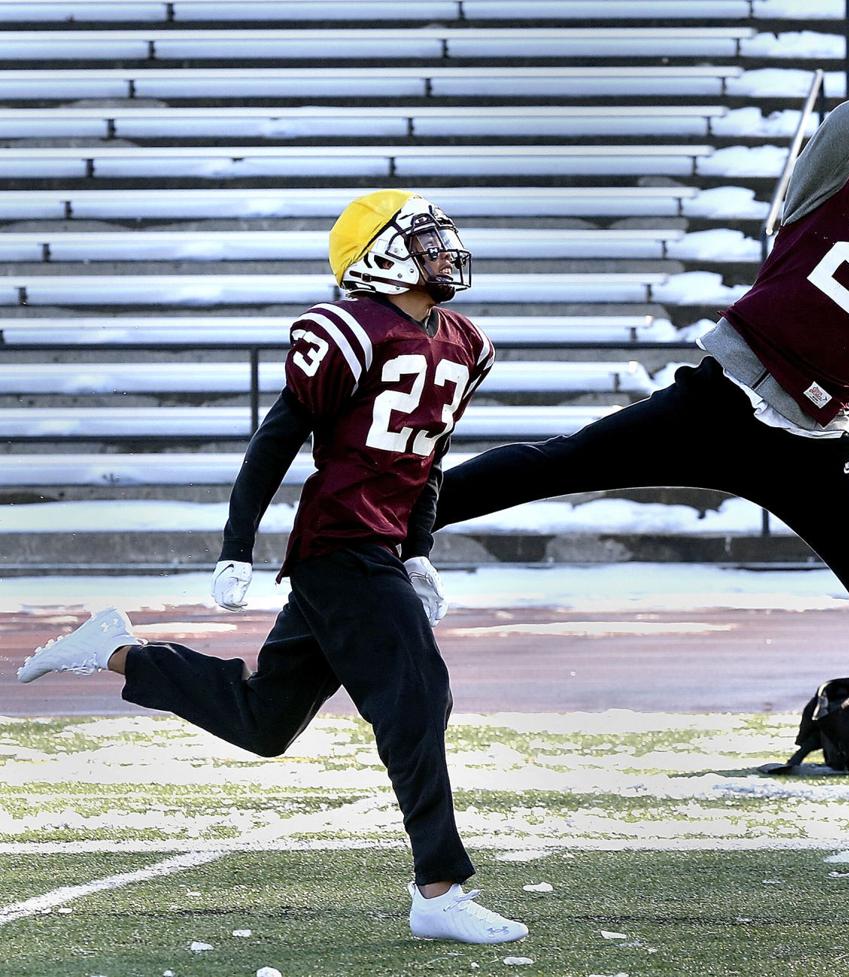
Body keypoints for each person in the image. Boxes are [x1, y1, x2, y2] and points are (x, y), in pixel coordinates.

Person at [430, 57, 849, 809]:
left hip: (810, 441)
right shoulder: (828, 192)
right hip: (721, 397)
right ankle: (402, 515)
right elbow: (843, 126)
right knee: (563, 460)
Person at [17, 190, 528, 944]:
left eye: (442, 237)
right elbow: (278, 436)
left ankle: (118, 650)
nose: (444, 251)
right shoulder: (351, 329)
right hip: (338, 546)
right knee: (418, 696)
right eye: (425, 239)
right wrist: (237, 542)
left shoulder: (464, 341)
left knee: (265, 720)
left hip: (375, 546)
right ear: (379, 256)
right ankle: (439, 889)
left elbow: (429, 459)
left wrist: (416, 549)